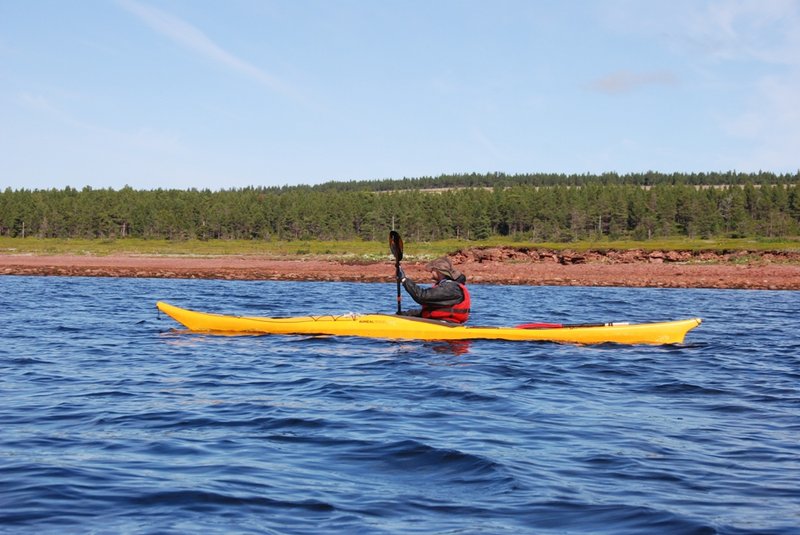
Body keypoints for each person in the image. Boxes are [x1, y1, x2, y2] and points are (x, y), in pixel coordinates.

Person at [398, 256, 471, 323]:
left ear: (438, 271)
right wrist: (404, 315)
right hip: (438, 323)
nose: (430, 273)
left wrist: (404, 280)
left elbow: (422, 297)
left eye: (432, 270)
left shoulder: (451, 288)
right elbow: (429, 310)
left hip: (446, 325)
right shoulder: (445, 286)